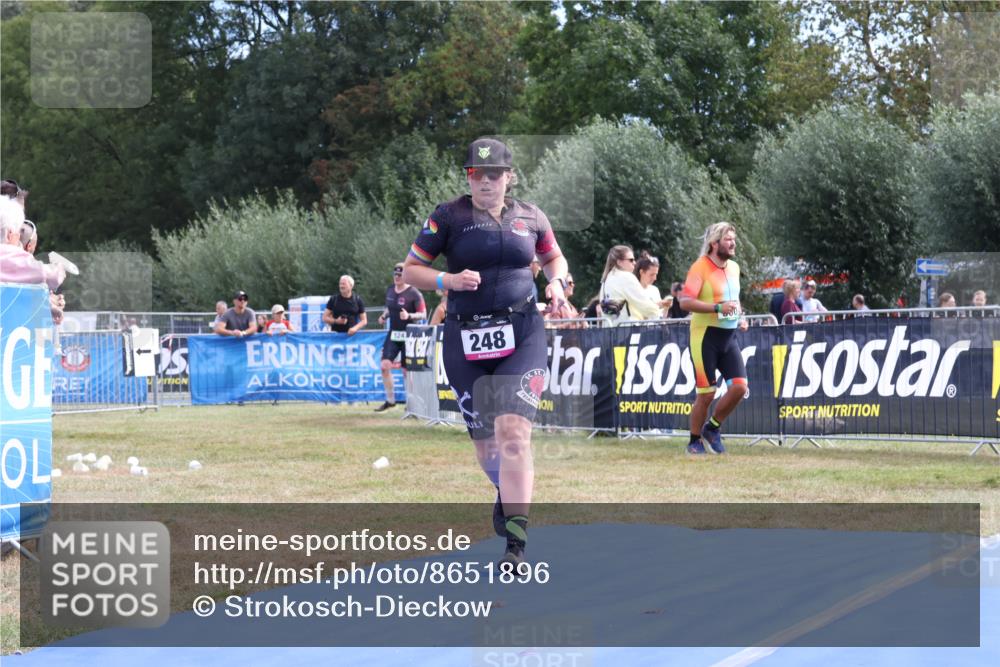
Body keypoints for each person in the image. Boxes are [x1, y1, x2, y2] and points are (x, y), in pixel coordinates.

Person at [402, 136, 569, 571]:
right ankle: (506, 492)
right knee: (487, 451)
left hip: (523, 332)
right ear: (468, 177)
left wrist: (554, 283)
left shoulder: (531, 216)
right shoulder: (447, 217)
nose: (485, 183)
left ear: (508, 177)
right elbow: (412, 269)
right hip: (465, 338)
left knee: (514, 433)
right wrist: (447, 282)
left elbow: (555, 260)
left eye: (494, 175)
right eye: (477, 175)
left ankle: (516, 544)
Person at [678, 222, 749, 455]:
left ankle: (713, 428)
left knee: (739, 387)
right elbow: (685, 302)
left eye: (734, 239)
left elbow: (733, 300)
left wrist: (740, 316)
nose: (733, 243)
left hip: (729, 337)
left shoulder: (734, 268)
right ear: (714, 243)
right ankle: (694, 440)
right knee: (707, 393)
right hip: (704, 337)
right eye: (728, 239)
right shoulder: (700, 267)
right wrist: (718, 308)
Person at [375, 263, 426, 412]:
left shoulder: (414, 293)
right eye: (395, 274)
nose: (397, 277)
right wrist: (384, 315)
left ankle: (411, 404)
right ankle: (390, 400)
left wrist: (409, 315)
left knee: (406, 371)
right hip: (394, 333)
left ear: (407, 276)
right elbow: (389, 307)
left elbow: (423, 314)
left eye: (400, 274)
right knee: (384, 366)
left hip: (409, 335)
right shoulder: (390, 289)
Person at [0, 196, 64, 290]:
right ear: (10, 234)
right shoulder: (8, 255)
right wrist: (59, 268)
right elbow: (50, 276)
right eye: (17, 233)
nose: (19, 240)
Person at [599, 245, 662, 323]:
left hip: (609, 330)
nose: (634, 263)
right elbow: (645, 305)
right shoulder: (626, 277)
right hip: (627, 330)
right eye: (631, 260)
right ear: (619, 262)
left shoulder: (606, 279)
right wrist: (659, 316)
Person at [635, 252, 673, 318]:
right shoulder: (634, 289)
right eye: (652, 274)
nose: (655, 278)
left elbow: (660, 318)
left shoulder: (654, 290)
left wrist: (666, 308)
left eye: (656, 274)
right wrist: (658, 305)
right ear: (641, 272)